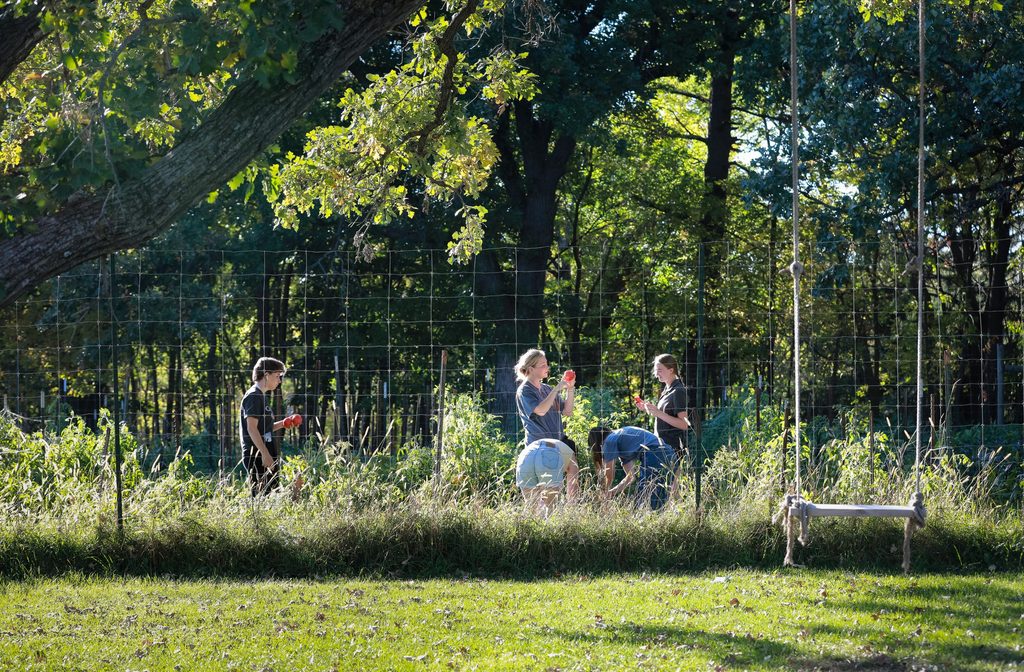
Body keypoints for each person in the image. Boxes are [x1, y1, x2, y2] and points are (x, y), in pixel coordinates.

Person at [634, 353, 691, 500]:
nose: (656, 373)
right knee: (667, 492)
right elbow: (663, 417)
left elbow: (684, 424)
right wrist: (648, 409)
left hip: (675, 449)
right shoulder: (667, 389)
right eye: (655, 369)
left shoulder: (678, 391)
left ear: (671, 369)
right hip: (663, 447)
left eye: (659, 369)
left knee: (674, 493)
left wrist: (658, 413)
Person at [239, 356, 297, 496]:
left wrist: (283, 423)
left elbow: (264, 429)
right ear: (266, 375)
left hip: (265, 451)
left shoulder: (261, 396)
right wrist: (265, 454)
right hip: (256, 454)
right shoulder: (253, 396)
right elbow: (251, 429)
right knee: (262, 497)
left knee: (272, 495)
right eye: (277, 376)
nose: (279, 380)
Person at [588, 425, 676, 511]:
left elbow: (609, 475)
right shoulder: (622, 444)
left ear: (596, 444)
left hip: (655, 454)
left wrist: (604, 491)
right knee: (659, 497)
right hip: (669, 453)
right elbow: (630, 477)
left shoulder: (609, 441)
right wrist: (612, 492)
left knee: (645, 501)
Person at [514, 348, 576, 451]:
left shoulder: (548, 389)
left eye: (546, 364)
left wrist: (570, 388)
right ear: (531, 369)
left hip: (557, 444)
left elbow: (567, 412)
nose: (547, 367)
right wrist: (556, 389)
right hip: (540, 447)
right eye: (543, 365)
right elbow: (541, 411)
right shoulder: (524, 390)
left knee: (573, 466)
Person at [515, 438, 580, 515]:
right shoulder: (571, 455)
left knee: (531, 507)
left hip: (526, 454)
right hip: (549, 453)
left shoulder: (556, 443)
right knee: (551, 508)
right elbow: (573, 490)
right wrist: (571, 510)